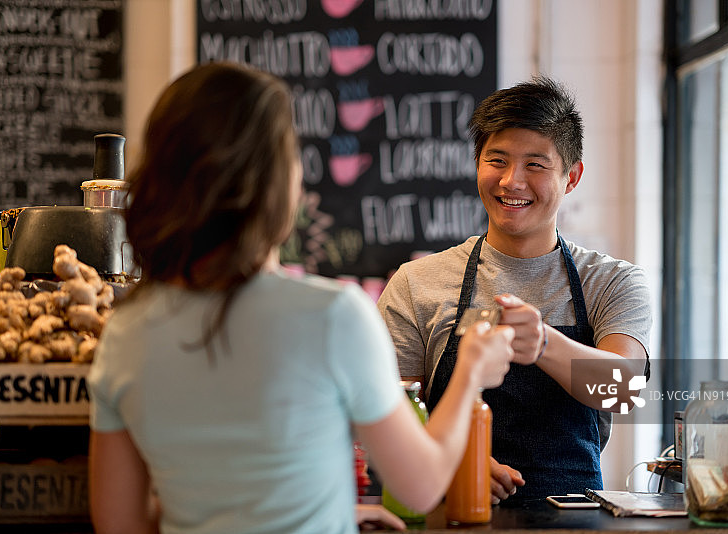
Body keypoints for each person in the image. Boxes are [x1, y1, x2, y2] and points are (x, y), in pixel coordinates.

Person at [87, 62, 515, 534]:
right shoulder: (333, 315)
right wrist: (472, 369)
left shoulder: (125, 333)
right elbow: (421, 486)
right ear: (273, 182)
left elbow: (119, 523)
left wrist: (313, 503)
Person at [377, 76, 652, 503]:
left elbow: (623, 390)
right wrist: (457, 457)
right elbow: (390, 412)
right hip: (449, 511)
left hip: (574, 522)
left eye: (535, 165)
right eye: (497, 160)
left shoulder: (611, 281)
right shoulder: (416, 283)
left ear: (572, 177)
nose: (511, 181)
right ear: (477, 165)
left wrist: (542, 342)